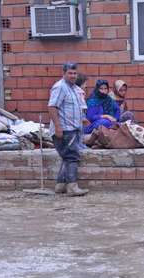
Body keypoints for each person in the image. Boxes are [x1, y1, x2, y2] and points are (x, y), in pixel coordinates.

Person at [48, 62, 89, 196]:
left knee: (67, 157)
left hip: (73, 128)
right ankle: (72, 186)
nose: (73, 76)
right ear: (64, 73)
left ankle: (60, 185)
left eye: (74, 73)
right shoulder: (60, 87)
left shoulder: (73, 88)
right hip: (65, 129)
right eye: (70, 73)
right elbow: (52, 107)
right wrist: (58, 127)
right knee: (72, 157)